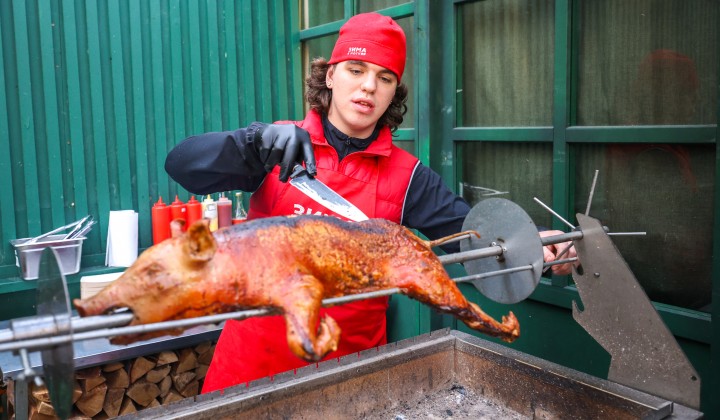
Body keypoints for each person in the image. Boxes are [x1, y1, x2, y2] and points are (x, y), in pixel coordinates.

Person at [164, 12, 576, 393]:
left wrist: (537, 243)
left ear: (394, 91)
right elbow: (182, 165)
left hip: (349, 377)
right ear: (330, 75)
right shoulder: (278, 145)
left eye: (384, 77)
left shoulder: (409, 176)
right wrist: (255, 141)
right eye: (356, 69)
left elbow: (470, 234)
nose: (368, 86)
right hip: (252, 367)